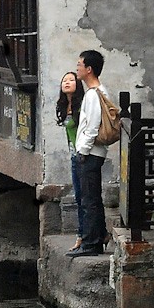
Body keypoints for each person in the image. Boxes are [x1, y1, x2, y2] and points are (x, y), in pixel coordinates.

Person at [66, 49, 109, 258]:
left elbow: (92, 127)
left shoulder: (93, 94)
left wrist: (82, 151)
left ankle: (91, 243)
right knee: (91, 198)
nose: (77, 69)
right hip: (91, 152)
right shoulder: (97, 92)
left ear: (89, 69)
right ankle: (98, 237)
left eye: (80, 65)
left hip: (90, 153)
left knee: (88, 200)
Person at [56, 71, 85, 251]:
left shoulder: (81, 106)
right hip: (74, 156)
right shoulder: (64, 106)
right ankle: (94, 233)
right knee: (79, 197)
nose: (67, 82)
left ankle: (82, 235)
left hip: (83, 155)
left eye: (71, 80)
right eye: (64, 80)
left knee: (83, 197)